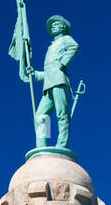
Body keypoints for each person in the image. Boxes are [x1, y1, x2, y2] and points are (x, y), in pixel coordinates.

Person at [33, 15, 79, 151]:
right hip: (48, 85)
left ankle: (62, 143)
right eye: (52, 25)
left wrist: (62, 63)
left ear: (63, 27)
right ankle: (42, 145)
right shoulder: (51, 46)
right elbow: (49, 72)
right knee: (41, 116)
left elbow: (74, 46)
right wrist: (34, 74)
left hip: (59, 81)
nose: (53, 26)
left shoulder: (66, 39)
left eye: (56, 24)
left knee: (62, 114)